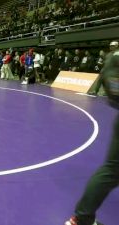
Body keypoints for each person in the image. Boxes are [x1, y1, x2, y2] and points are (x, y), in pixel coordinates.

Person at [64, 47, 119, 225]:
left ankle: (82, 218)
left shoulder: (114, 58)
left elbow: (112, 91)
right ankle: (82, 218)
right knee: (113, 170)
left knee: (112, 169)